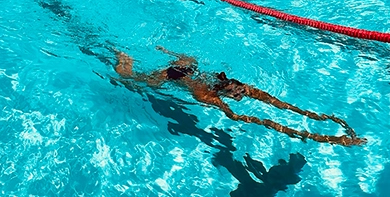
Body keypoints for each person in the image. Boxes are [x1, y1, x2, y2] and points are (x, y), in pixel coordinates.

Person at [113, 47, 365, 146]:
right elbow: (261, 121)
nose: (241, 96)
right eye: (236, 95)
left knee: (190, 59)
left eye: (240, 91)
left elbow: (283, 106)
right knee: (130, 81)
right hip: (173, 74)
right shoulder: (208, 97)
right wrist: (328, 139)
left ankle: (165, 52)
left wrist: (317, 118)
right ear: (224, 91)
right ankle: (125, 61)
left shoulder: (246, 87)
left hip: (188, 64)